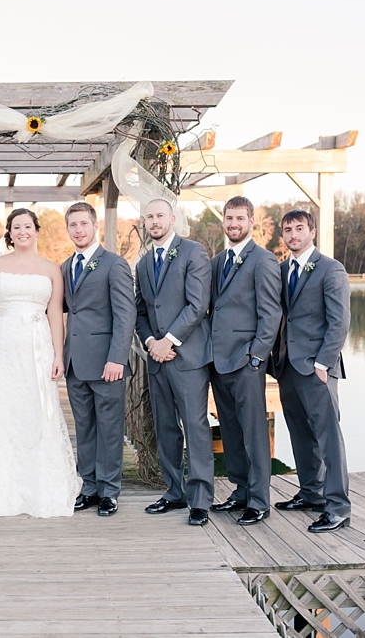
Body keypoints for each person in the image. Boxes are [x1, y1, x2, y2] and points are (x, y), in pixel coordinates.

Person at [0, 208, 82, 517]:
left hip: (37, 348)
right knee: (2, 410)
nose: (23, 231)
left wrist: (57, 353)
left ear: (37, 230)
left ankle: (41, 485)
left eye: (28, 226)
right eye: (16, 227)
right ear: (9, 233)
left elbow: (56, 313)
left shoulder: (52, 269)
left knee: (37, 412)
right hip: (2, 345)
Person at [135, 199, 216, 526]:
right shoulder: (142, 264)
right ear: (145, 222)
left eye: (159, 216)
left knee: (195, 426)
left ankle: (200, 500)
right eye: (149, 217)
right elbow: (140, 311)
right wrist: (152, 342)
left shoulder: (193, 252)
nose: (155, 221)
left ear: (172, 218)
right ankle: (174, 491)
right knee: (166, 426)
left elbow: (198, 305)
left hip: (188, 356)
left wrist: (170, 340)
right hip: (157, 358)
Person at [271, 209, 352, 532]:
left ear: (312, 232)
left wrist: (323, 363)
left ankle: (338, 507)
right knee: (301, 434)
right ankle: (310, 493)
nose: (293, 234)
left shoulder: (330, 270)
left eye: (299, 228)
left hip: (317, 367)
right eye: (288, 229)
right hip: (287, 367)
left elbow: (339, 321)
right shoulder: (280, 271)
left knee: (328, 438)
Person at [209, 196, 282, 526]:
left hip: (246, 362)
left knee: (253, 433)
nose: (233, 223)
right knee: (231, 431)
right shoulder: (218, 261)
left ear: (251, 221)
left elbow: (271, 314)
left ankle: (259, 500)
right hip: (218, 361)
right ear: (223, 221)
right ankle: (240, 491)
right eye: (228, 218)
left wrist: (256, 358)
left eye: (239, 218)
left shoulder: (263, 261)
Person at [61, 202, 136, 517]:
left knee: (109, 428)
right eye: (73, 225)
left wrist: (117, 357)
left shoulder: (114, 264)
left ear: (95, 227)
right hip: (75, 364)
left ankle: (109, 491)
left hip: (107, 363)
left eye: (83, 224)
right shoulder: (65, 266)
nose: (79, 230)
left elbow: (125, 313)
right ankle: (88, 488)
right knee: (84, 428)